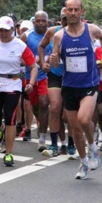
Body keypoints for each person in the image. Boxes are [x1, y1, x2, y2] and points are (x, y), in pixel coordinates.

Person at [49, 0, 102, 179]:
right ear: (65, 12)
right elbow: (56, 60)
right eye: (70, 10)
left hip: (89, 84)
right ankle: (84, 164)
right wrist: (53, 61)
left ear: (82, 11)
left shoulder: (91, 30)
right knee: (75, 129)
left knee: (84, 121)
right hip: (69, 86)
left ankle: (92, 147)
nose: (73, 13)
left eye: (77, 9)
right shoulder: (59, 36)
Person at [0, 16, 38, 167]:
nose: (3, 33)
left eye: (6, 30)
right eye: (1, 30)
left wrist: (31, 83)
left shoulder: (19, 45)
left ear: (12, 30)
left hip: (12, 84)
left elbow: (33, 66)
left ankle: (9, 153)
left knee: (10, 118)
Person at [38, 8, 70, 157]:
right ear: (60, 19)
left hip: (72, 76)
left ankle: (70, 144)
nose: (66, 22)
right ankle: (54, 145)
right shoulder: (52, 31)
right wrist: (43, 64)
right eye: (63, 19)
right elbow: (41, 46)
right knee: (54, 108)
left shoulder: (81, 32)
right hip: (55, 75)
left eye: (68, 18)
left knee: (67, 115)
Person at [19, 11, 50, 151]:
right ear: (34, 22)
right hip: (30, 77)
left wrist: (49, 60)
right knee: (36, 107)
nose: (41, 23)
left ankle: (42, 138)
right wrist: (29, 61)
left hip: (46, 76)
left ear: (47, 21)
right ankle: (40, 124)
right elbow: (16, 54)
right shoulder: (26, 36)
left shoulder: (52, 35)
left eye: (44, 20)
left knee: (44, 104)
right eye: (39, 21)